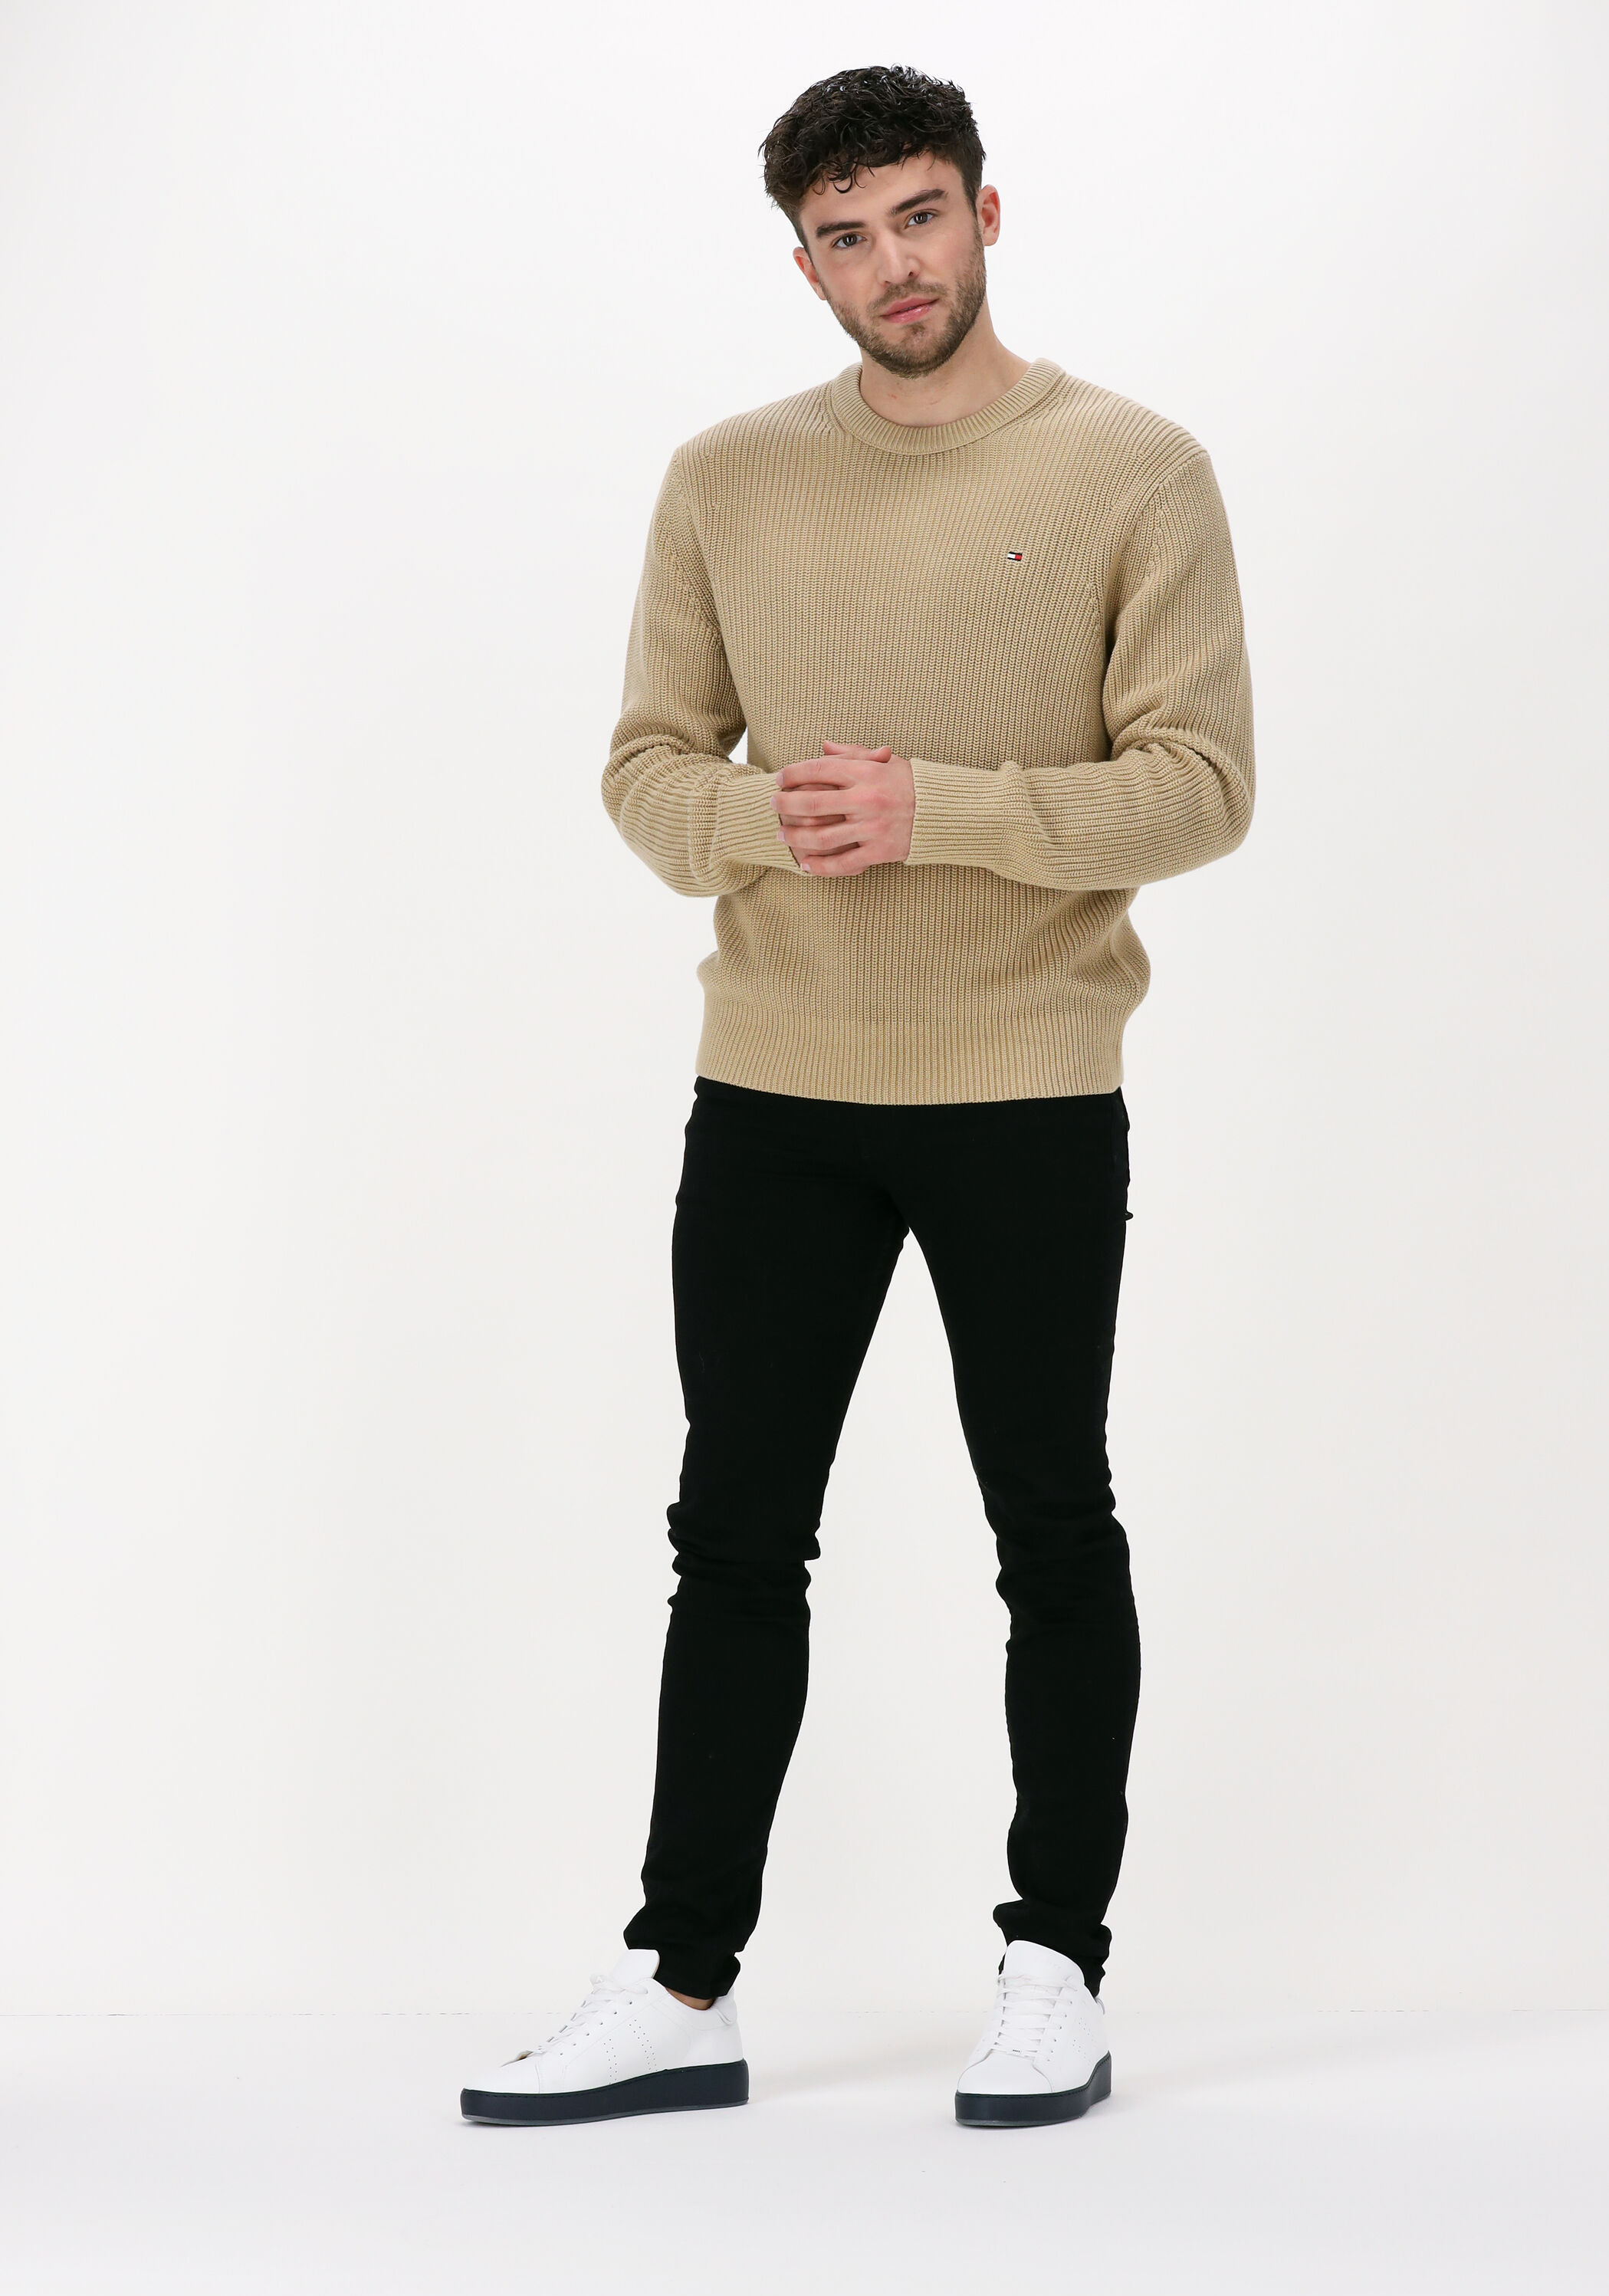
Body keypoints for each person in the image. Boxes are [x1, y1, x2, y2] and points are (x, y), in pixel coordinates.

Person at [461, 61, 1254, 2133]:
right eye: (844, 234)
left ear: (986, 212)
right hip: (778, 1087)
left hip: (1026, 1081)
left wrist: (938, 808)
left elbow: (1200, 787)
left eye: (917, 215)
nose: (890, 263)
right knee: (733, 1534)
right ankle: (681, 1983)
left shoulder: (1134, 469)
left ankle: (1054, 1966)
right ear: (800, 260)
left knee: (1049, 1523)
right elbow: (648, 767)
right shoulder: (727, 480)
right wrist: (769, 825)